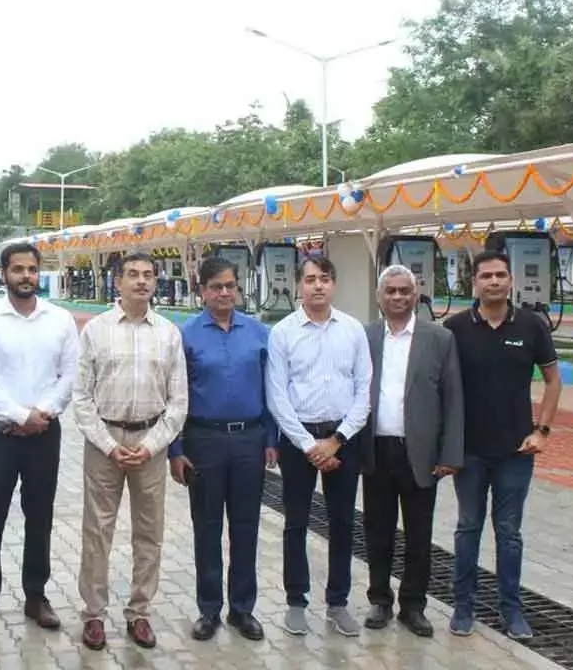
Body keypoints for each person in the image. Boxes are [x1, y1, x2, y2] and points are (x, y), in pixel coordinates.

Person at [443, 250, 562, 640]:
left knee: (509, 533)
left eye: (500, 275)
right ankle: (463, 607)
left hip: (516, 452)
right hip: (470, 452)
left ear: (510, 281)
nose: (494, 282)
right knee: (467, 528)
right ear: (473, 283)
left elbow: (553, 381)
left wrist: (541, 431)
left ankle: (512, 611)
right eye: (486, 276)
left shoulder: (532, 326)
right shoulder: (455, 329)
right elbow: (441, 387)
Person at [73, 251, 188, 651]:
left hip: (151, 446)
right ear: (117, 282)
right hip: (104, 443)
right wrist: (108, 445)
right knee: (97, 533)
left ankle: (140, 613)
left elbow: (179, 403)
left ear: (156, 282)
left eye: (148, 275)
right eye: (133, 274)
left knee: (149, 534)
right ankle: (93, 615)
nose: (141, 281)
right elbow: (81, 398)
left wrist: (153, 444)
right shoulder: (96, 331)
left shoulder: (169, 333)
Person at [0, 242, 79, 639]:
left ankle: (36, 595)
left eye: (32, 269)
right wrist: (19, 416)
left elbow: (69, 376)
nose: (26, 276)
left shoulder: (60, 320)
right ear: (3, 274)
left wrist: (41, 415)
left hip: (45, 433)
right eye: (18, 269)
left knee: (40, 515)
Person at [167, 256, 278, 642]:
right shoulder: (187, 335)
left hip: (249, 440)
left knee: (246, 527)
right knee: (208, 527)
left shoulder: (259, 333)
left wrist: (271, 439)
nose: (225, 292)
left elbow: (272, 391)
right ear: (202, 291)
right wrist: (176, 449)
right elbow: (175, 397)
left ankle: (242, 609)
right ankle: (209, 609)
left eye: (230, 285)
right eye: (216, 287)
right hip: (204, 441)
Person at [266, 255, 371, 638]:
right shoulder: (283, 333)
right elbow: (277, 396)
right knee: (295, 523)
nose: (317, 286)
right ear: (299, 285)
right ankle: (296, 600)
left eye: (324, 279)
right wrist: (311, 446)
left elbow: (364, 392)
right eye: (310, 279)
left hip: (344, 440)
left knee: (343, 524)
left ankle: (338, 602)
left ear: (334, 284)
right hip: (299, 442)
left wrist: (337, 440)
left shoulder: (353, 331)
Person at [361, 264, 465, 637]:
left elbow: (453, 399)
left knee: (419, 534)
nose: (399, 297)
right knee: (378, 530)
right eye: (391, 291)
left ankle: (414, 605)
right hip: (376, 449)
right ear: (379, 297)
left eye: (405, 290)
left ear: (416, 295)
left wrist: (450, 453)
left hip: (420, 453)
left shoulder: (439, 339)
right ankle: (380, 600)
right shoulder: (366, 336)